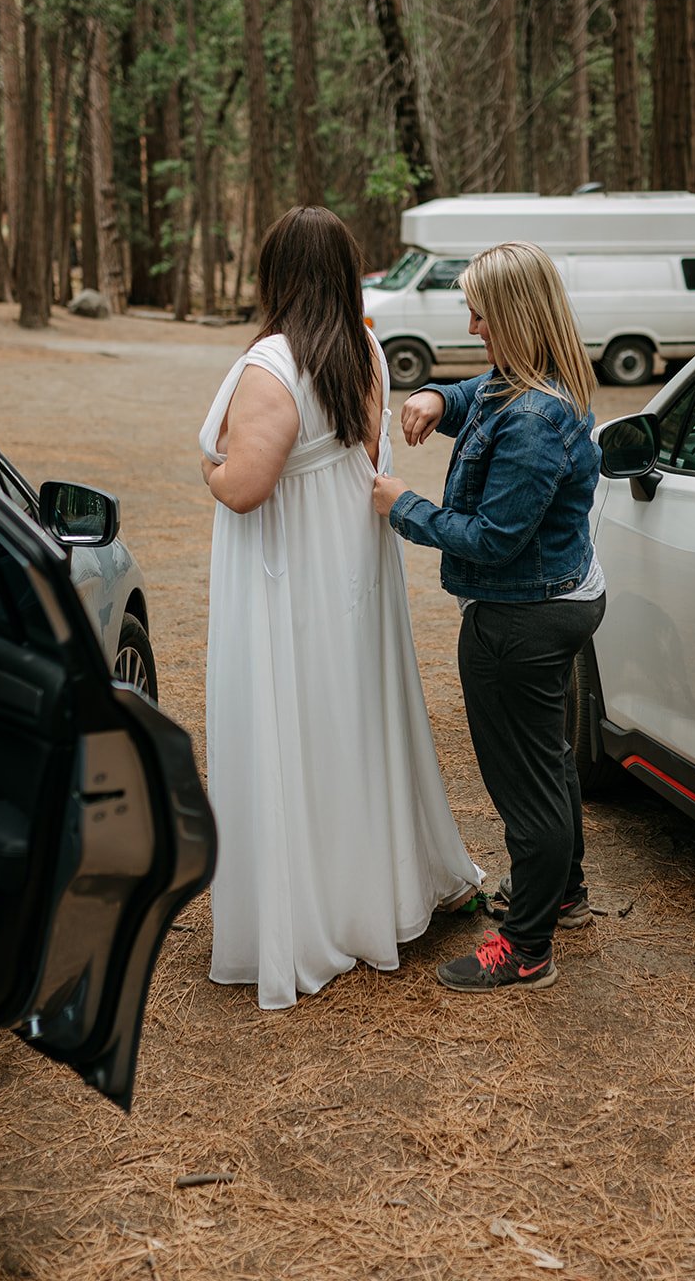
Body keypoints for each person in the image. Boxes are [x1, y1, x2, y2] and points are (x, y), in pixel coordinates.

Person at [199, 205, 480, 1011]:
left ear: (275, 273)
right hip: (350, 562)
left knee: (300, 719)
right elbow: (364, 453)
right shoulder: (362, 349)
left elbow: (247, 489)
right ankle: (373, 891)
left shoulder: (273, 365)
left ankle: (316, 906)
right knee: (350, 719)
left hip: (293, 572)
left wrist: (210, 475)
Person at [372, 241, 605, 993]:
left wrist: (399, 506)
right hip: (555, 600)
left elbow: (495, 541)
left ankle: (527, 947)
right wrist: (442, 397)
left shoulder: (535, 418)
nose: (471, 324)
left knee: (525, 788)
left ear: (514, 314)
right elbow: (489, 389)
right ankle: (561, 893)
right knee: (548, 764)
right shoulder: (537, 381)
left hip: (521, 619)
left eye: (479, 311)